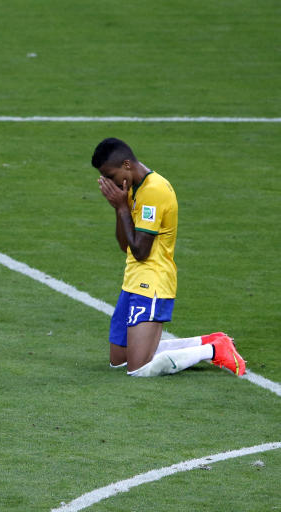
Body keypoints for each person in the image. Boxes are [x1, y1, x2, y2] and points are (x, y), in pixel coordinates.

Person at [91, 138, 245, 377]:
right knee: (119, 361)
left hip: (152, 282)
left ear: (127, 164)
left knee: (139, 369)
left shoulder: (154, 191)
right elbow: (126, 246)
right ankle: (207, 340)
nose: (110, 183)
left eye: (110, 175)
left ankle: (214, 350)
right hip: (132, 279)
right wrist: (117, 207)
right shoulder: (132, 188)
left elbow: (141, 251)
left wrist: (123, 208)